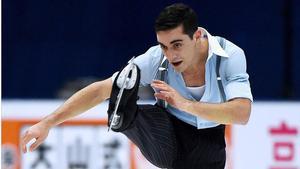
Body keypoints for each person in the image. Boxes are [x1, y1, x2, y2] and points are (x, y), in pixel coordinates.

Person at [21, 3, 253, 169]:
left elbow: (242, 114)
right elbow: (100, 89)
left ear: (198, 36)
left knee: (185, 161)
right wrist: (47, 122)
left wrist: (185, 104)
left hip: (209, 143)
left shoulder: (229, 56)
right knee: (124, 92)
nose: (170, 55)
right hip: (165, 133)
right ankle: (125, 115)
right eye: (163, 45)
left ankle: (127, 113)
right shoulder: (156, 59)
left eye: (177, 45)